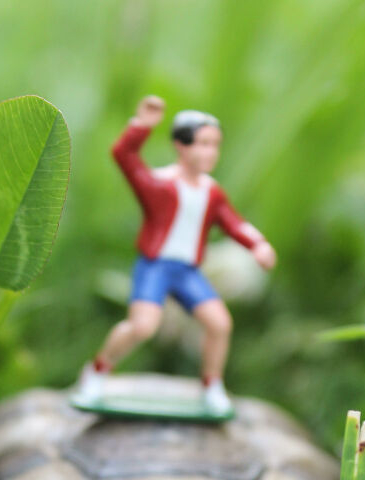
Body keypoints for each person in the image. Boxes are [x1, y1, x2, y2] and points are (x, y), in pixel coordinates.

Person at [77, 95, 277, 414]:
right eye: (203, 144)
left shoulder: (211, 191)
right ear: (181, 147)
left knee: (219, 323)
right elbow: (124, 156)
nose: (211, 152)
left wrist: (257, 244)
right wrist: (141, 125)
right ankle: (97, 371)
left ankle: (212, 385)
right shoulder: (159, 185)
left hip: (187, 272)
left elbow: (232, 221)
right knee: (142, 327)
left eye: (215, 145)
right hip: (156, 266)